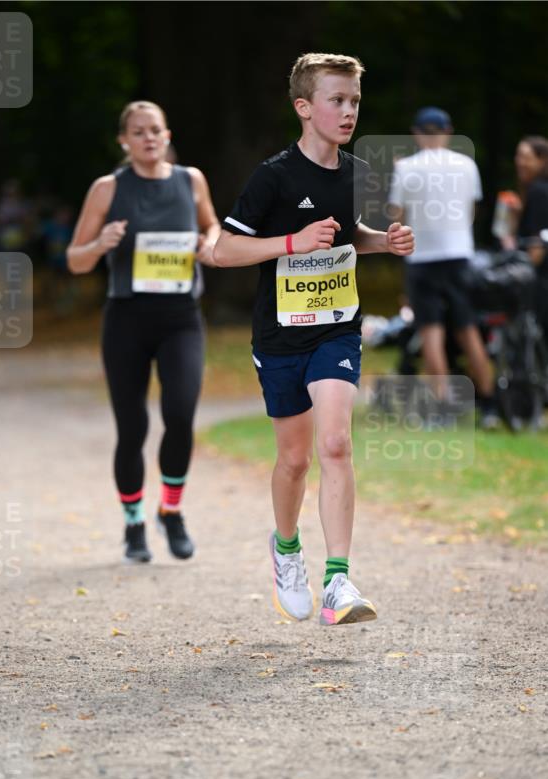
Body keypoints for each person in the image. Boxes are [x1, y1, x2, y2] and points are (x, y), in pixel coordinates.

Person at [214, 52, 414, 627]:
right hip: (280, 338)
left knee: (336, 444)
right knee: (295, 460)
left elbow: (347, 236)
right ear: (304, 107)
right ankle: (286, 550)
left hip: (337, 330)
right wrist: (291, 243)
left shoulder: (357, 173)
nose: (349, 112)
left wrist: (383, 242)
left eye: (355, 101)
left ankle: (338, 581)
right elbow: (223, 250)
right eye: (337, 100)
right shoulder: (273, 176)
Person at [67, 101, 220, 562]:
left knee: (180, 414)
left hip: (181, 319)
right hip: (127, 319)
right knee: (132, 427)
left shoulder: (190, 180)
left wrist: (208, 243)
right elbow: (75, 260)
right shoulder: (108, 188)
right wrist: (101, 244)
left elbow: (212, 225)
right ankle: (133, 524)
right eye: (138, 132)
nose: (149, 138)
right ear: (124, 141)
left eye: (155, 130)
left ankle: (170, 511)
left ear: (167, 135)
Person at [388, 107, 498, 426]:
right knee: (468, 331)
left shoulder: (406, 168)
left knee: (431, 334)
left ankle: (443, 410)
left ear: (416, 133)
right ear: (448, 131)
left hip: (422, 260)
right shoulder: (466, 165)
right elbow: (470, 211)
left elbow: (397, 216)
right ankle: (489, 406)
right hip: (459, 257)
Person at [514, 135, 548, 337]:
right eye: (518, 156)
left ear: (542, 160)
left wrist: (519, 275)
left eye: (526, 157)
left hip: (541, 283)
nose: (520, 162)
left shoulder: (538, 191)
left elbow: (537, 246)